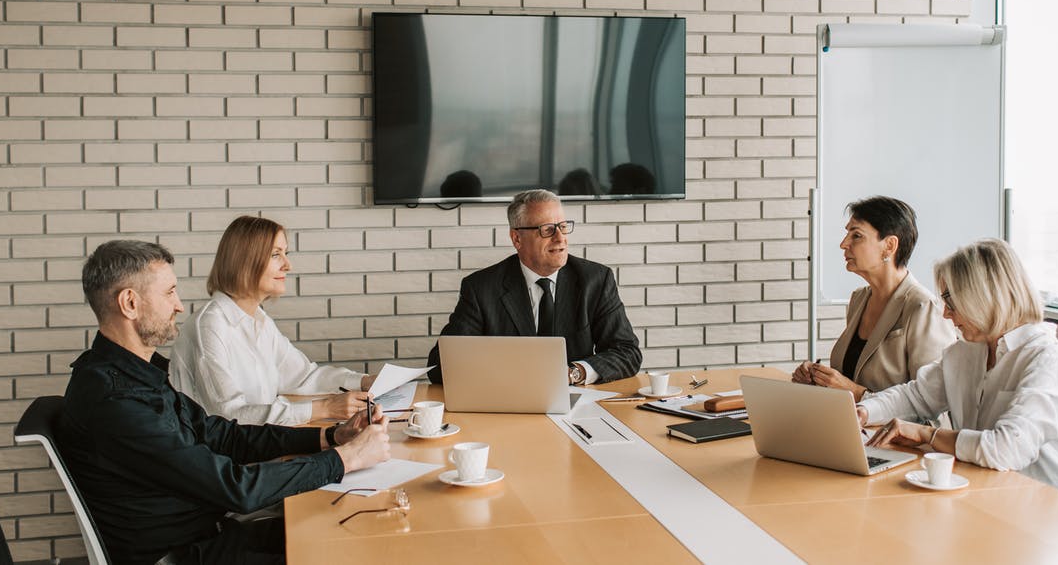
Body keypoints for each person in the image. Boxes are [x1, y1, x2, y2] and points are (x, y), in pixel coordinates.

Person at [58, 240, 392, 565]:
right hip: (185, 554)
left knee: (362, 532)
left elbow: (220, 434)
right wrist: (345, 459)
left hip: (211, 535)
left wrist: (330, 438)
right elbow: (236, 488)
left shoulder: (138, 374)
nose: (179, 306)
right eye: (169, 292)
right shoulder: (115, 400)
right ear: (130, 303)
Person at [860, 238, 1058, 498]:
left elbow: (1006, 449)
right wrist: (862, 412)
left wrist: (928, 435)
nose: (946, 314)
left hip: (1052, 505)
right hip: (989, 491)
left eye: (950, 301)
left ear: (983, 295)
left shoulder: (1046, 358)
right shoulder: (967, 351)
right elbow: (916, 396)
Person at [170, 215, 375, 426]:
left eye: (285, 253)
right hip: (222, 455)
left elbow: (302, 376)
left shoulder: (260, 320)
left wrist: (363, 381)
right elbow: (229, 414)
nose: (288, 265)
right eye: (276, 255)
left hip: (258, 443)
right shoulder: (210, 325)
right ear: (244, 261)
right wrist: (324, 408)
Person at [426, 189, 641, 385]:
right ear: (517, 238)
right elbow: (439, 367)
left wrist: (575, 373)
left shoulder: (595, 280)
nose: (560, 238)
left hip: (574, 403)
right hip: (506, 403)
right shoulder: (481, 288)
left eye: (563, 227)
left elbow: (627, 352)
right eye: (547, 230)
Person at [791, 196, 955, 401]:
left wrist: (856, 393)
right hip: (848, 429)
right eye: (847, 234)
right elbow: (851, 377)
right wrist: (818, 379)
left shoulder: (923, 308)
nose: (843, 244)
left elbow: (934, 407)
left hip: (886, 432)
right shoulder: (859, 299)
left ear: (889, 246)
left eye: (856, 235)